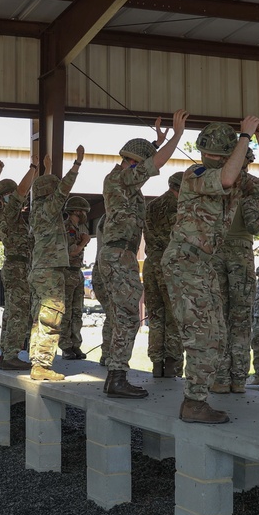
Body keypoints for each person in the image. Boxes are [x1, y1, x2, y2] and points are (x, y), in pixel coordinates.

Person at [163, 117, 259, 423]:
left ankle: (197, 399)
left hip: (204, 264)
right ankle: (194, 402)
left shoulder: (239, 180)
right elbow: (224, 179)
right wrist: (245, 136)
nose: (210, 158)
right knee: (204, 334)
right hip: (186, 260)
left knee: (218, 332)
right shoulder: (195, 174)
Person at [100, 110, 188, 398]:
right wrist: (176, 136)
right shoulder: (119, 178)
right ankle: (117, 376)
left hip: (118, 254)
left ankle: (115, 374)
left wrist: (156, 141)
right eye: (138, 163)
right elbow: (154, 163)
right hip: (118, 254)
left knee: (121, 315)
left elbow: (147, 162)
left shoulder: (123, 178)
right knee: (126, 315)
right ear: (130, 163)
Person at [212, 140, 259, 394]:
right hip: (241, 255)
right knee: (241, 320)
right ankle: (238, 379)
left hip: (215, 252)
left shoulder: (216, 181)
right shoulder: (247, 187)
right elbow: (254, 226)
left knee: (220, 316)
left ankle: (220, 378)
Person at [28, 147, 84, 381]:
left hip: (40, 269)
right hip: (50, 270)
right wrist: (76, 165)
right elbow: (62, 191)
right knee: (52, 316)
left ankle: (36, 361)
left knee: (39, 318)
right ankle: (42, 365)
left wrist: (46, 168)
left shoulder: (37, 210)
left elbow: (51, 188)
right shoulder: (49, 209)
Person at [0, 159, 37, 371]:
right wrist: (34, 169)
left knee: (13, 310)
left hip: (18, 267)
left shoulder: (15, 217)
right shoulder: (9, 213)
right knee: (19, 312)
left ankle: (7, 351)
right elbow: (21, 190)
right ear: (5, 197)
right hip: (17, 267)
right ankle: (11, 354)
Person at [144, 171, 185, 378]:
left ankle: (156, 363)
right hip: (171, 265)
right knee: (174, 316)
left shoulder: (150, 206)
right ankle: (172, 364)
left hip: (151, 265)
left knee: (156, 317)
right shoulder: (180, 207)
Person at [59, 195, 91, 360]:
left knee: (77, 311)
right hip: (67, 271)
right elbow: (71, 251)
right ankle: (65, 346)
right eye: (83, 211)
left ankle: (75, 344)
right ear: (76, 211)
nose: (85, 214)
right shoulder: (66, 228)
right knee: (67, 311)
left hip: (77, 271)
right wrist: (83, 243)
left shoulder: (79, 228)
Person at [90, 214, 114, 367]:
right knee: (115, 315)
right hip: (108, 269)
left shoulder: (104, 217)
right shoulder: (112, 217)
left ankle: (108, 354)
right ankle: (110, 355)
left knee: (112, 315)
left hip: (101, 268)